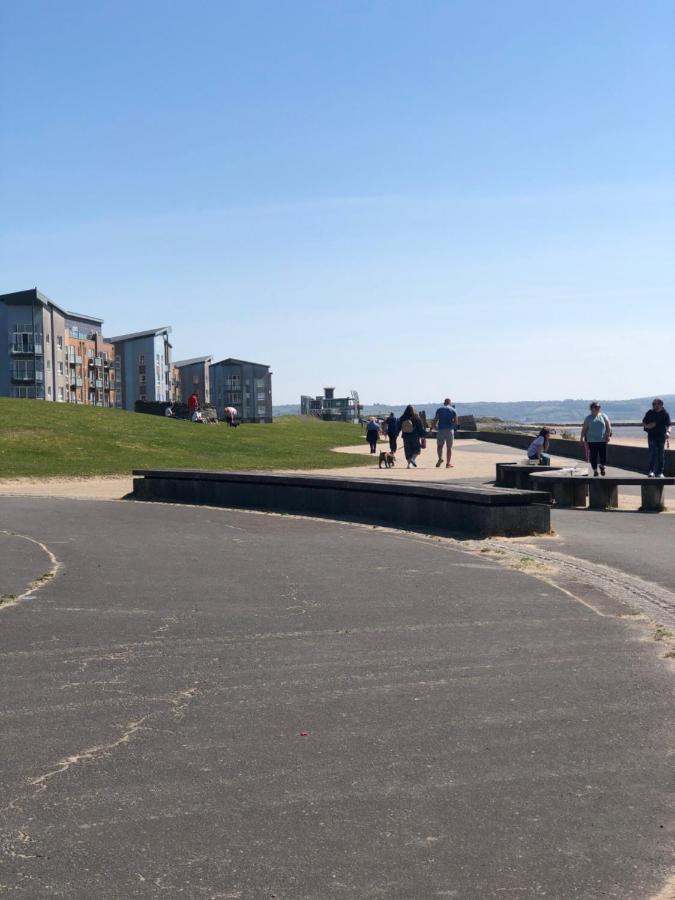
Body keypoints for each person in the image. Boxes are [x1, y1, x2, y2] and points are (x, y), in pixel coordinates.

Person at [580, 401, 612, 476]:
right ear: (592, 408)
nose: (598, 408)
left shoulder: (603, 416)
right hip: (592, 441)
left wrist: (608, 435)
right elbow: (584, 429)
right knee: (593, 456)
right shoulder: (588, 418)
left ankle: (602, 466)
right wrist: (581, 439)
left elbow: (608, 426)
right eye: (596, 407)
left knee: (603, 456)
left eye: (599, 407)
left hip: (602, 440)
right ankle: (595, 470)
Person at [642, 398, 671, 477]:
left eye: (655, 404)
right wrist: (648, 426)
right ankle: (651, 471)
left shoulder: (665, 413)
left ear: (661, 404)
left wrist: (668, 432)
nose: (653, 405)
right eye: (653, 404)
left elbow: (669, 425)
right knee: (652, 453)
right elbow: (643, 422)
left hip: (661, 437)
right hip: (651, 436)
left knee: (661, 454)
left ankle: (660, 472)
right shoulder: (650, 412)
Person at [431, 398, 458, 468]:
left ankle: (440, 458)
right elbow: (456, 422)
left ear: (444, 403)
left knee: (439, 446)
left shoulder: (439, 409)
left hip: (441, 430)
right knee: (449, 448)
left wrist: (434, 427)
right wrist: (452, 427)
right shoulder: (453, 410)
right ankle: (448, 463)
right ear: (450, 403)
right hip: (449, 430)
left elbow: (435, 419)